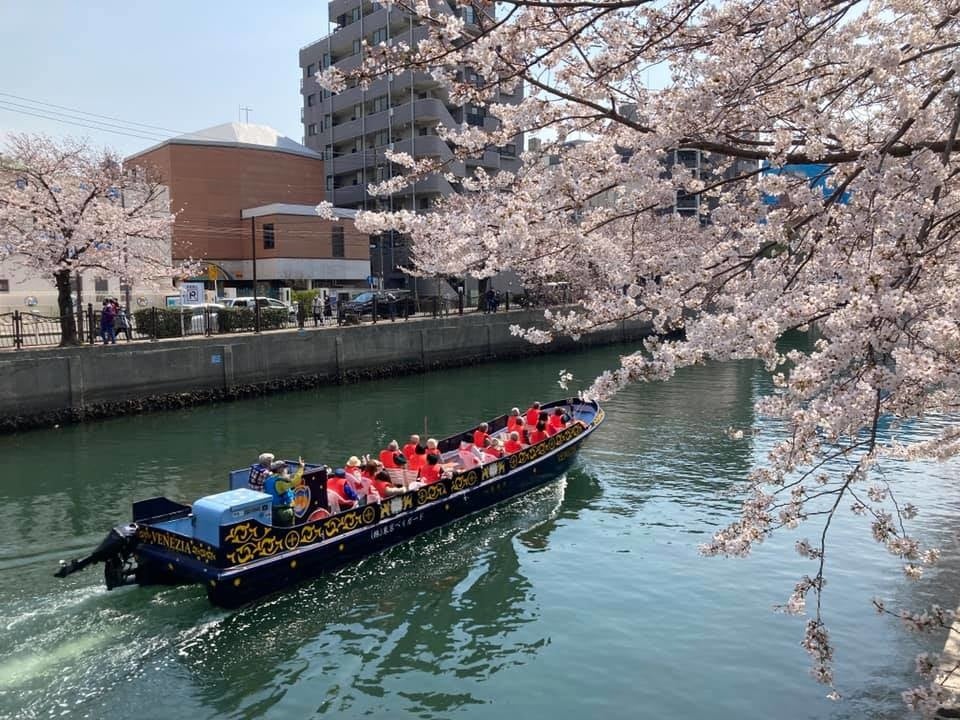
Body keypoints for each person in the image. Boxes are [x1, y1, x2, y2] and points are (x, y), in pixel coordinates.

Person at [263, 458, 305, 527]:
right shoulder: (280, 482)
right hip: (283, 511)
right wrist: (301, 468)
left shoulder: (269, 479)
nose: (286, 469)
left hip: (272, 510)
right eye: (284, 467)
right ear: (279, 469)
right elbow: (295, 482)